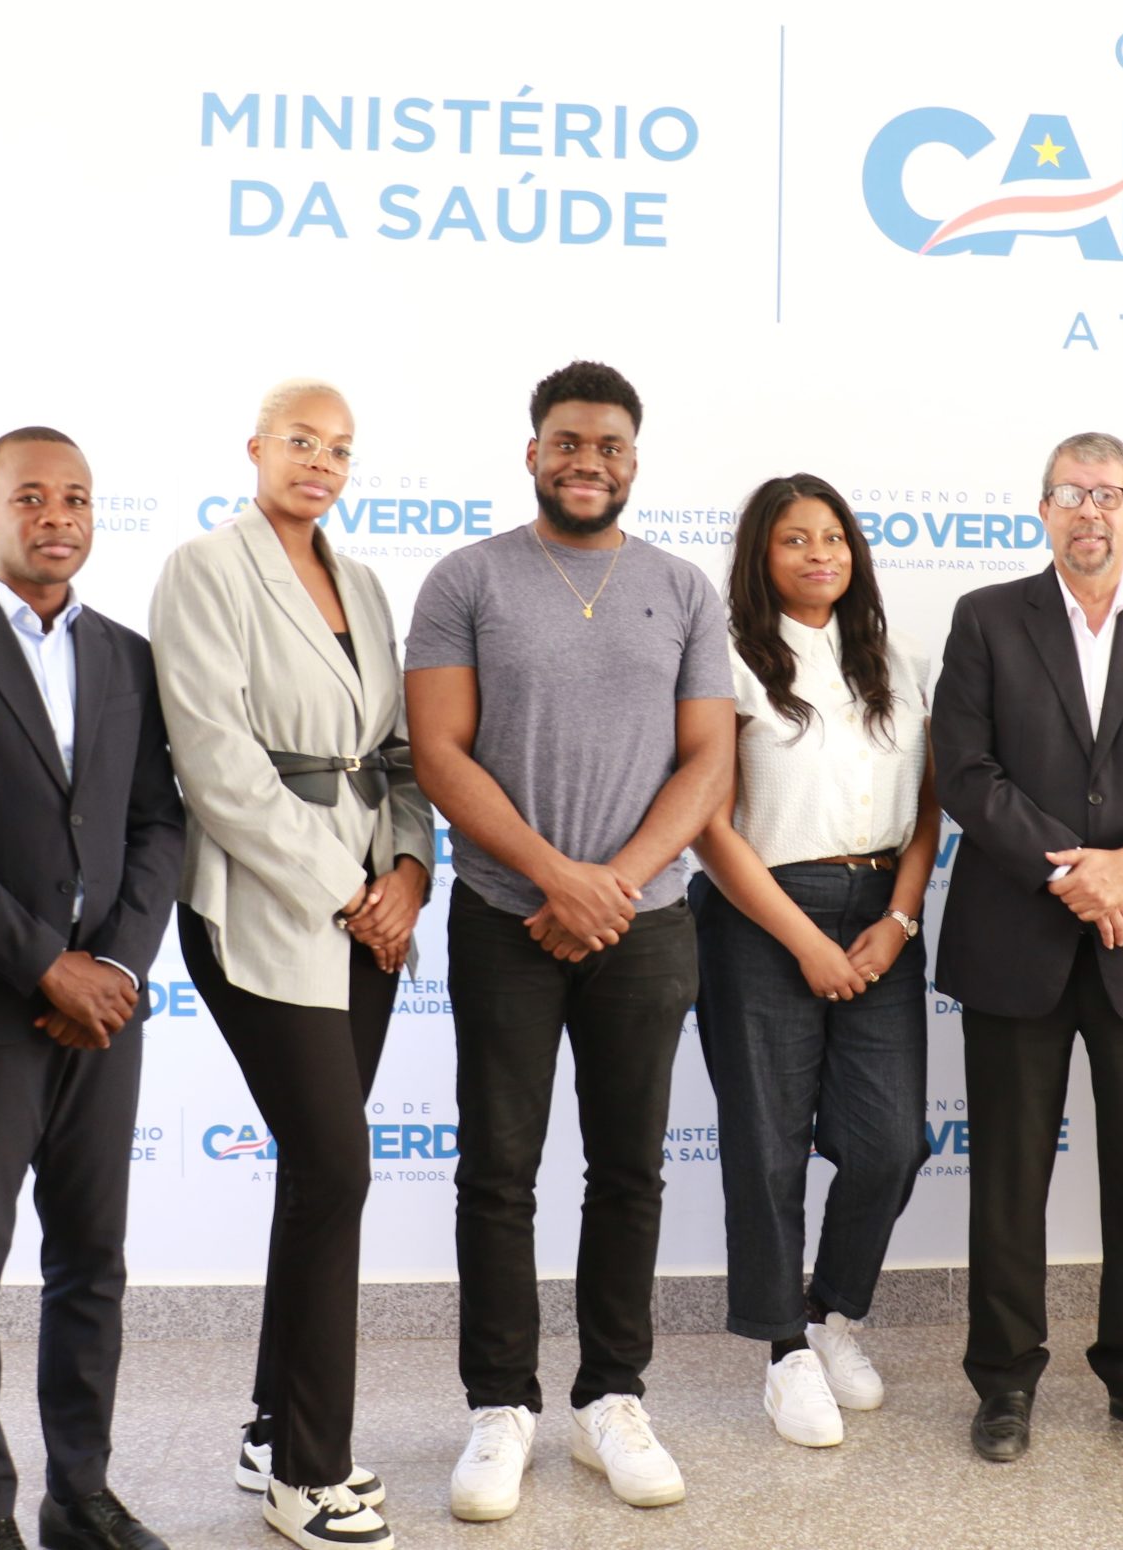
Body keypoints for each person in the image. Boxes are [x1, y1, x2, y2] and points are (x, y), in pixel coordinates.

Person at [407, 361, 732, 1519]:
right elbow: (438, 750)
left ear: (633, 459)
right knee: (497, 1171)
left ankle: (611, 1397)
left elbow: (709, 758)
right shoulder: (466, 577)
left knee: (629, 1166)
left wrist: (614, 884)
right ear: (533, 453)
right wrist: (556, 878)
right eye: (567, 442)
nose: (587, 460)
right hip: (507, 915)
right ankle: (501, 1403)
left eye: (608, 444)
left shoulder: (683, 588)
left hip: (644, 924)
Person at [150, 380, 431, 1550]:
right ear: (256, 448)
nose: (321, 462)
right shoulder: (205, 569)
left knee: (318, 1177)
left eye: (340, 449)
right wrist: (343, 889)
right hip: (262, 905)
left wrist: (406, 870)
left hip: (372, 909)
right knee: (333, 1166)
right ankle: (307, 1475)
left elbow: (399, 752)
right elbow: (215, 764)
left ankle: (273, 1425)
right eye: (301, 441)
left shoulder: (362, 582)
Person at [931, 431, 1123, 1466]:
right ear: (1044, 512)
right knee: (1007, 1176)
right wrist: (1075, 875)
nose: (1089, 510)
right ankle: (1004, 1378)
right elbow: (965, 770)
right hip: (1018, 939)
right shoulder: (985, 618)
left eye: (1107, 494)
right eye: (1070, 493)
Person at [0, 427, 185, 1550]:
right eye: (30, 497)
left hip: (103, 1021)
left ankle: (80, 1494)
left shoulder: (127, 655)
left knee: (91, 1265)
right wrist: (43, 963)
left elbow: (157, 822)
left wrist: (114, 966)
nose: (56, 516)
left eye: (75, 497)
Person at [688, 473, 939, 1449]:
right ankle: (784, 1349)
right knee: (767, 1144)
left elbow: (928, 808)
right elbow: (708, 823)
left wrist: (901, 919)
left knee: (890, 1142)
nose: (819, 553)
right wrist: (803, 939)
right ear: (761, 554)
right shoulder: (724, 661)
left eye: (833, 536)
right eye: (795, 538)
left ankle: (833, 1311)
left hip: (881, 913)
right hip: (760, 914)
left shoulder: (898, 659)